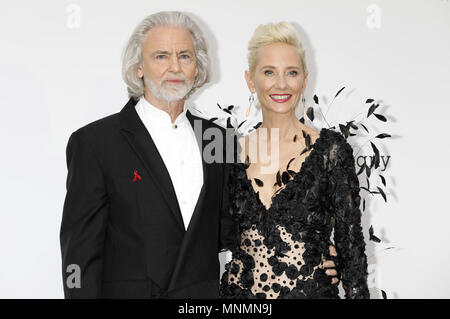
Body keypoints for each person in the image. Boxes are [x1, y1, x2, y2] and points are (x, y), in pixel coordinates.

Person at [60, 11, 340, 299]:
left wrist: (313, 251)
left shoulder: (217, 140)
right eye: (161, 56)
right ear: (138, 66)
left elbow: (237, 230)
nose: (175, 67)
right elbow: (77, 256)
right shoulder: (95, 143)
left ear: (197, 68)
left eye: (185, 56)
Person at [219, 22, 369, 299]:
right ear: (250, 80)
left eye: (292, 73)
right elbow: (205, 236)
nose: (281, 84)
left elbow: (352, 252)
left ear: (304, 78)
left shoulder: (331, 151)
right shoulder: (226, 152)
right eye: (269, 72)